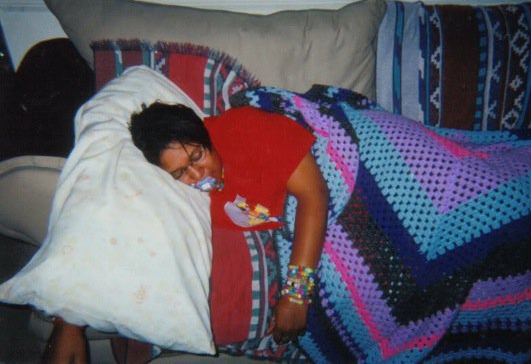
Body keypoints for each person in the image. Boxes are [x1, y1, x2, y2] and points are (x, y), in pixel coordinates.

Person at [41, 102, 328, 363]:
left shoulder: (243, 127)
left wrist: (297, 294)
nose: (197, 175)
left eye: (197, 155)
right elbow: (115, 230)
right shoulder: (178, 196)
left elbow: (314, 194)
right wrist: (69, 322)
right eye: (180, 173)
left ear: (206, 136)